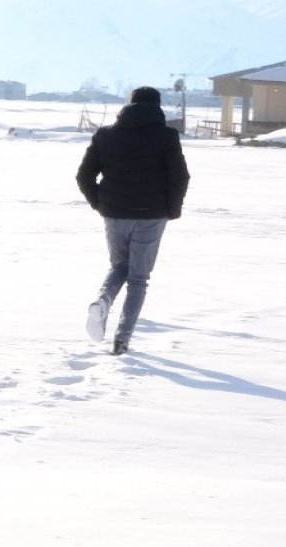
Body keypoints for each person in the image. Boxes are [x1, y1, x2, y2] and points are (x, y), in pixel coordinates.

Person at [75, 86, 190, 355]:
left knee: (119, 267)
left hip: (115, 213)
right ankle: (122, 339)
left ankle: (103, 300)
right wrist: (171, 210)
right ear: (158, 107)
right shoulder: (167, 136)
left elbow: (83, 176)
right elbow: (180, 177)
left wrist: (101, 204)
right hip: (152, 215)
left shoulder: (106, 135)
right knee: (138, 279)